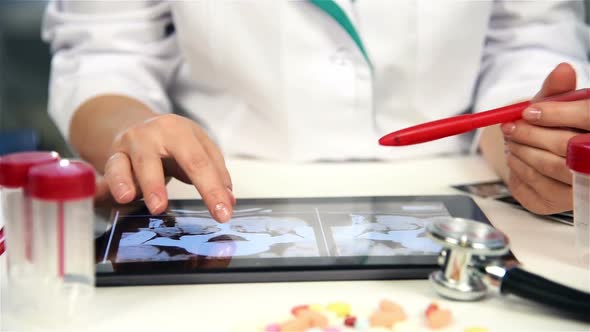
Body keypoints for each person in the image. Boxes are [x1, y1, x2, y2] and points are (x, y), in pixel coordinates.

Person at [42, 1, 590, 222]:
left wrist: (530, 147)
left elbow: (528, 37)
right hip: (216, 197)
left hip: (471, 191)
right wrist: (131, 132)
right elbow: (106, 51)